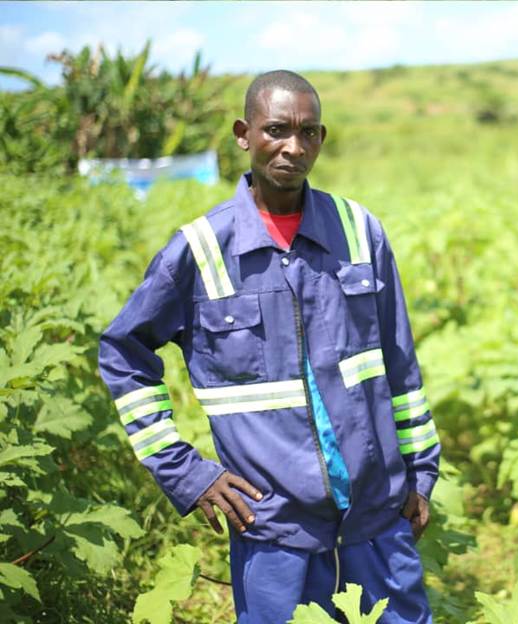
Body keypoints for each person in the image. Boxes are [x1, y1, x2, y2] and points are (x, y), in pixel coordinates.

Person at [98, 70, 439, 624]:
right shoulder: (201, 250)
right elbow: (123, 354)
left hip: (378, 513)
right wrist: (186, 471)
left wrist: (422, 474)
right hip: (273, 526)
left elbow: (398, 362)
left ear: (321, 140)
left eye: (307, 133)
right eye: (276, 129)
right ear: (243, 133)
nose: (292, 147)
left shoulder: (359, 231)